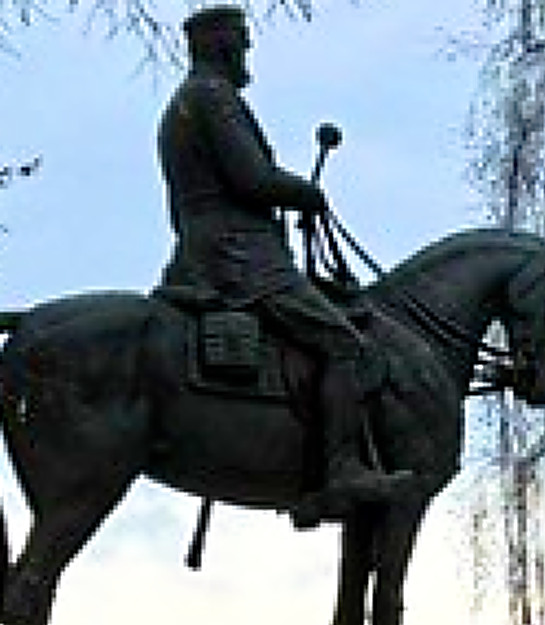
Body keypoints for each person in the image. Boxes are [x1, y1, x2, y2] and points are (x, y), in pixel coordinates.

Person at [156, 5, 409, 525]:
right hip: (239, 259)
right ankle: (342, 469)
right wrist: (305, 194)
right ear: (223, 46)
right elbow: (252, 179)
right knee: (344, 343)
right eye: (242, 44)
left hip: (215, 251)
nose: (247, 54)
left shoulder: (187, 103)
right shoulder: (212, 98)